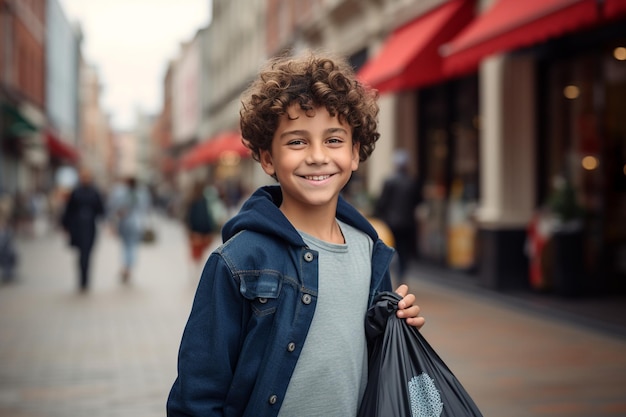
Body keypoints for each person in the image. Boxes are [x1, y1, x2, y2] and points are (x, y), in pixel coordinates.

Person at [166, 51, 425, 417]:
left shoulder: (369, 251)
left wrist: (394, 321)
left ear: (355, 153)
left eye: (334, 140)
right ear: (268, 158)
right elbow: (197, 395)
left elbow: (364, 352)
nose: (318, 156)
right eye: (297, 142)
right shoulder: (238, 262)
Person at [374, 149, 421, 280]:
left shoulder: (390, 181)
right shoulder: (412, 182)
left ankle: (391, 275)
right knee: (404, 250)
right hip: (407, 222)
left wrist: (380, 216)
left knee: (390, 248)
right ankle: (401, 274)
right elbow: (417, 201)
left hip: (391, 222)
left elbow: (382, 203)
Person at [61, 167, 105, 292]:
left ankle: (85, 280)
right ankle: (82, 279)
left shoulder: (94, 192)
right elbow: (69, 210)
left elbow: (100, 209)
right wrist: (66, 225)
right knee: (81, 255)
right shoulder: (76, 192)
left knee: (87, 254)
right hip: (77, 227)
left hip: (90, 227)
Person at [107, 175, 151, 283]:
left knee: (126, 245)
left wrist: (112, 221)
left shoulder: (121, 192)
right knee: (132, 245)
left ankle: (126, 267)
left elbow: (113, 206)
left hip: (126, 222)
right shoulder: (142, 193)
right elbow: (146, 207)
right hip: (136, 223)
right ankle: (129, 268)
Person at [183, 181, 224, 273]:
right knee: (202, 253)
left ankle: (196, 270)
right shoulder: (205, 201)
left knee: (196, 254)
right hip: (204, 232)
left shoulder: (192, 200)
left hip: (195, 232)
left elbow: (188, 217)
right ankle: (199, 270)